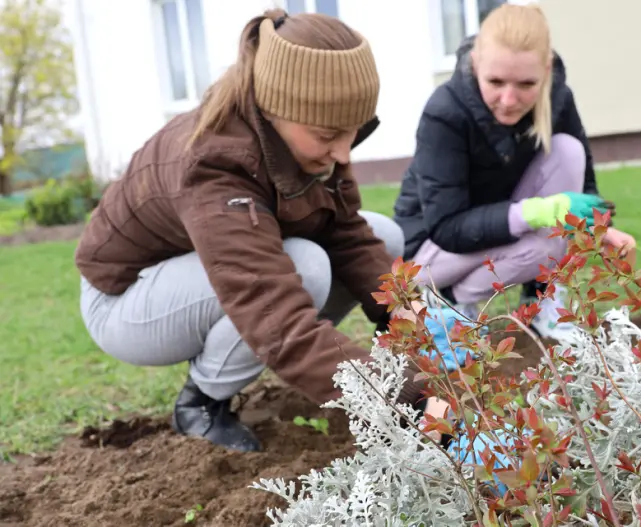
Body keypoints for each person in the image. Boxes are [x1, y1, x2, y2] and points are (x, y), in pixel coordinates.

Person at [75, 9, 432, 453]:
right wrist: (410, 400)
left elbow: (347, 232)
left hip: (201, 272)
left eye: (353, 132)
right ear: (278, 109)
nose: (342, 151)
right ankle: (201, 403)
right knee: (307, 266)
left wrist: (419, 327)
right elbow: (276, 318)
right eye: (328, 134)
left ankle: (389, 364)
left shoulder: (301, 138)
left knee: (383, 234)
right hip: (126, 302)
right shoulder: (214, 163)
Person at [393, 3, 636, 342]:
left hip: (501, 232)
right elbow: (447, 227)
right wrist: (540, 212)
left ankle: (544, 300)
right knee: (546, 248)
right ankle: (449, 300)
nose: (509, 99)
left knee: (568, 150)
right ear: (476, 65)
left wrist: (600, 226)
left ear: (546, 71)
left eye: (525, 84)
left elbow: (584, 184)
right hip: (431, 251)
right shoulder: (445, 111)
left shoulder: (557, 99)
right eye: (495, 81)